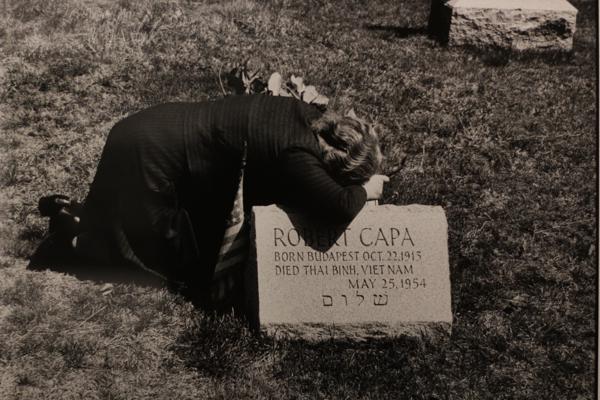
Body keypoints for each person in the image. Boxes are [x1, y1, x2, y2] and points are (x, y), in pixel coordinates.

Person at [30, 94, 389, 293]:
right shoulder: (298, 153)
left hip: (146, 129)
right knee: (158, 257)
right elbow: (340, 205)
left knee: (132, 215)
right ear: (336, 163)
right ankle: (72, 246)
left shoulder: (307, 115)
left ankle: (74, 216)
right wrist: (365, 189)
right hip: (152, 153)